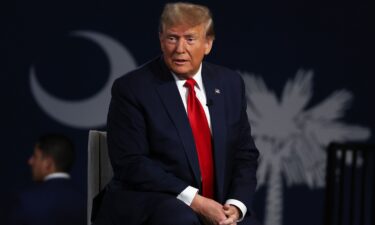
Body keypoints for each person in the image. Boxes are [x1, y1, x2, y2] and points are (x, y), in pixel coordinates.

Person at [93, 2, 259, 225]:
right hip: (153, 201)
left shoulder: (229, 84)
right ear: (161, 40)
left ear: (208, 44)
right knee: (180, 219)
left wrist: (236, 205)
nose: (180, 49)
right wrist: (196, 201)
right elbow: (132, 163)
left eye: (190, 39)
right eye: (172, 38)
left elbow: (244, 154)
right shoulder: (133, 88)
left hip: (217, 203)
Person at [9, 133, 85, 225]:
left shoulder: (27, 201)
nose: (30, 161)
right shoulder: (85, 201)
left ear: (48, 163)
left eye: (35, 156)